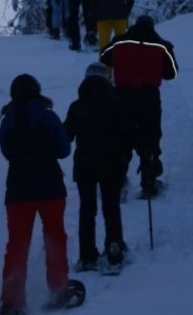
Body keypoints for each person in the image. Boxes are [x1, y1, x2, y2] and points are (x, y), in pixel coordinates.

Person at [0, 73, 84, 314]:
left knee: (17, 243)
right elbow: (64, 150)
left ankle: (12, 300)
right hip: (50, 186)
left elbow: (6, 151)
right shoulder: (48, 117)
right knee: (55, 237)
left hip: (18, 187)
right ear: (37, 91)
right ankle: (58, 289)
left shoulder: (7, 120)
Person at [64, 63, 132, 271]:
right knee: (111, 207)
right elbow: (127, 137)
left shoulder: (77, 106)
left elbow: (66, 135)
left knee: (87, 209)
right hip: (111, 164)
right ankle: (114, 249)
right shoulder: (117, 104)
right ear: (106, 80)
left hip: (84, 164)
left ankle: (87, 256)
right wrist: (124, 163)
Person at [100, 14, 177, 196]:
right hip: (149, 96)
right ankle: (149, 182)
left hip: (122, 96)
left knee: (121, 137)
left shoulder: (119, 42)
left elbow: (104, 57)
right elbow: (171, 73)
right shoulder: (162, 46)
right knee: (151, 137)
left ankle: (117, 181)